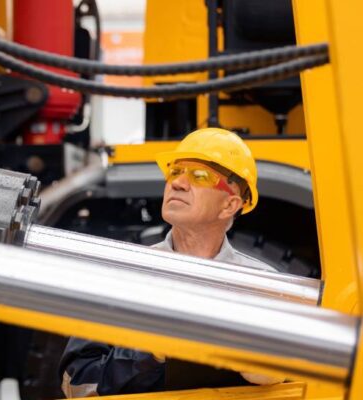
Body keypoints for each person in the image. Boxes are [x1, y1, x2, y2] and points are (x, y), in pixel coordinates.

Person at [59, 128, 283, 397]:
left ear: (229, 205)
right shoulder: (120, 277)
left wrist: (276, 372)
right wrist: (151, 350)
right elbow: (76, 387)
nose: (177, 183)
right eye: (175, 172)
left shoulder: (268, 288)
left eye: (200, 176)